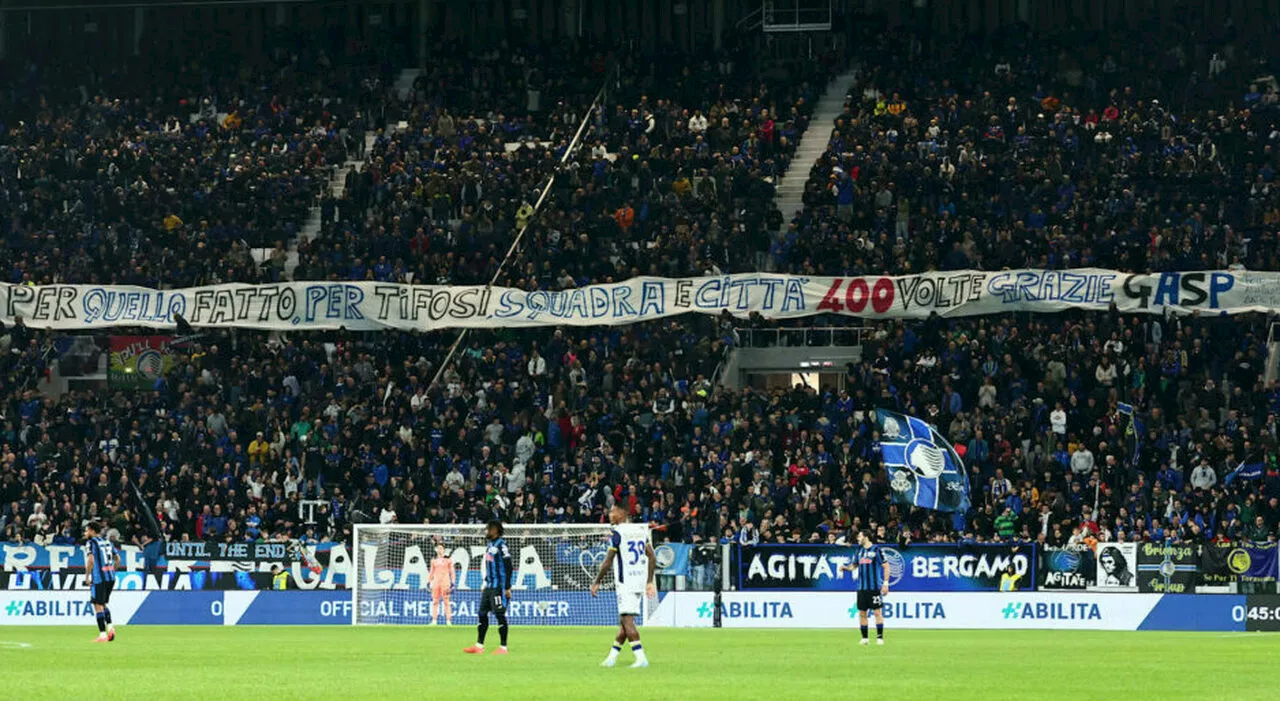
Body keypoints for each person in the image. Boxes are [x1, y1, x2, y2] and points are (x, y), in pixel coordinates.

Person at [591, 503, 656, 668]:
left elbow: (607, 561)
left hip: (625, 582)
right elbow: (652, 557)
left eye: (613, 511)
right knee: (624, 621)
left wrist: (597, 582)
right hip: (639, 580)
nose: (610, 514)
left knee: (627, 621)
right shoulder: (641, 531)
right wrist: (649, 581)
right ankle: (611, 658)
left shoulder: (617, 533)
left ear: (623, 513)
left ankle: (641, 658)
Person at [463, 520, 512, 655]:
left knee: (499, 614)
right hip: (489, 586)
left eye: (489, 529)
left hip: (498, 587)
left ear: (496, 530)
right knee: (482, 613)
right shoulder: (489, 545)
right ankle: (479, 645)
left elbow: (509, 567)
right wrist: (485, 583)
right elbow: (488, 566)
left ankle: (503, 647)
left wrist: (507, 587)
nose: (487, 531)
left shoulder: (502, 546)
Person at [839, 530, 888, 645]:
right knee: (862, 613)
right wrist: (845, 568)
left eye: (859, 536)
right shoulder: (859, 551)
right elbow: (854, 566)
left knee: (877, 613)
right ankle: (865, 638)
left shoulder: (876, 550)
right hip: (861, 588)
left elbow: (886, 566)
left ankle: (880, 638)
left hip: (874, 587)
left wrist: (885, 584)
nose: (858, 539)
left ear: (866, 537)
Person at [83, 520, 119, 643]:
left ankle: (103, 635)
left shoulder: (91, 542)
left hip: (99, 578)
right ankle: (111, 628)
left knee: (97, 605)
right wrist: (112, 571)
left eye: (87, 530)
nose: (85, 532)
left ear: (93, 531)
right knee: (103, 604)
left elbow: (91, 560)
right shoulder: (108, 542)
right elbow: (118, 559)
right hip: (110, 577)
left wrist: (87, 577)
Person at [429, 542, 456, 626]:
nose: (439, 550)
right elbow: (431, 572)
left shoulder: (448, 560)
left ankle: (448, 620)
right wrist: (429, 581)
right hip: (436, 583)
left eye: (441, 548)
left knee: (446, 602)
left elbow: (452, 572)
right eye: (438, 548)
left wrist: (453, 582)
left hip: (445, 583)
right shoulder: (434, 560)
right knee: (435, 601)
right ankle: (434, 620)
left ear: (444, 550)